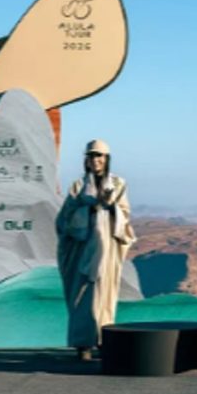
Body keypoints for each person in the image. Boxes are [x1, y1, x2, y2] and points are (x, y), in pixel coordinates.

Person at [55, 139, 136, 361]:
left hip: (106, 249)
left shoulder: (118, 184)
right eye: (91, 156)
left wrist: (110, 207)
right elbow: (65, 218)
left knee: (104, 295)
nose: (95, 160)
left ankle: (103, 340)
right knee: (82, 295)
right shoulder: (78, 187)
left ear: (106, 159)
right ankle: (83, 344)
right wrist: (90, 208)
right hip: (82, 250)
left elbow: (125, 214)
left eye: (99, 156)